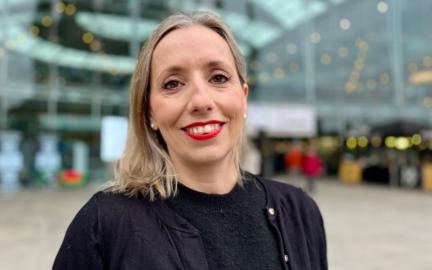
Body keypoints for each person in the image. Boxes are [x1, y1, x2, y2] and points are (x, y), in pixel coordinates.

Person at [53, 11, 327, 270]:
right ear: (150, 112)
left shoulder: (300, 212)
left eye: (218, 78)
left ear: (243, 97)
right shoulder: (103, 225)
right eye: (173, 83)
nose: (201, 101)